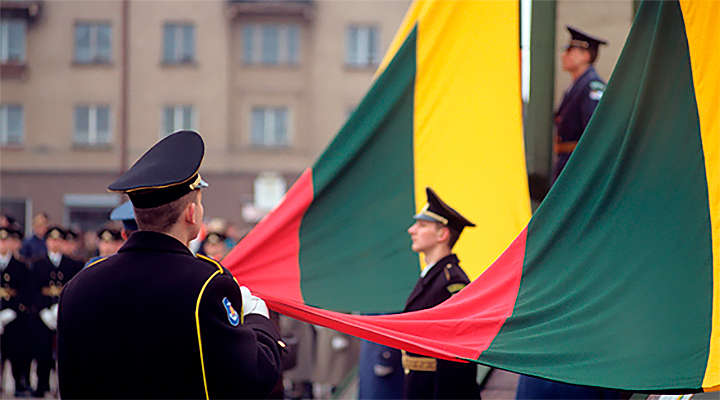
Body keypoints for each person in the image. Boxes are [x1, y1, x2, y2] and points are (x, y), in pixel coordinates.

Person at [57, 130, 284, 399]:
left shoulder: (79, 286)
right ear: (192, 213)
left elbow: (71, 384)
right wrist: (258, 319)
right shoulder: (207, 286)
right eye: (198, 202)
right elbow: (254, 377)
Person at [402, 187, 480, 399]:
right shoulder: (435, 277)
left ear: (442, 234)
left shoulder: (452, 282)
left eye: (422, 225)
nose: (412, 230)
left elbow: (456, 357)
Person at [29, 226, 82, 398]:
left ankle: (62, 387)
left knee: (64, 353)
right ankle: (42, 384)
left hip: (63, 312)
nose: (55, 243)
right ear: (46, 242)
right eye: (52, 240)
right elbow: (34, 289)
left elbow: (74, 288)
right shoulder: (38, 263)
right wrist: (43, 309)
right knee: (42, 352)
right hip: (43, 314)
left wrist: (62, 306)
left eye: (59, 240)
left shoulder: (72, 264)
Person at [553, 26, 607, 182]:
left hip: (578, 168)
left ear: (584, 55)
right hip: (568, 164)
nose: (563, 56)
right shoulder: (577, 86)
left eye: (569, 51)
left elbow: (593, 134)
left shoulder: (592, 87)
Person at [0, 225, 33, 397]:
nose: (2, 244)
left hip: (14, 316)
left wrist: (11, 312)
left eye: (5, 241)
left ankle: (18, 384)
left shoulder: (21, 266)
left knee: (15, 353)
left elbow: (24, 291)